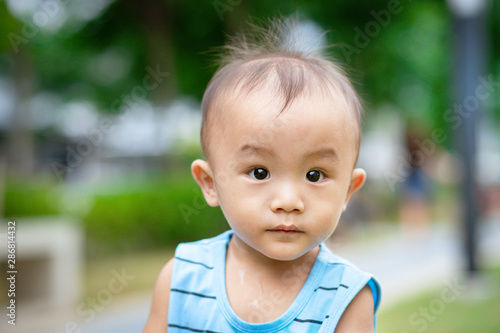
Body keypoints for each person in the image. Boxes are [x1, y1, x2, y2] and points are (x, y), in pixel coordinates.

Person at [143, 17, 381, 332]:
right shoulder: (182, 278)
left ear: (349, 191)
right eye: (259, 172)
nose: (288, 201)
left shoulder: (347, 297)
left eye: (314, 175)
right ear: (210, 184)